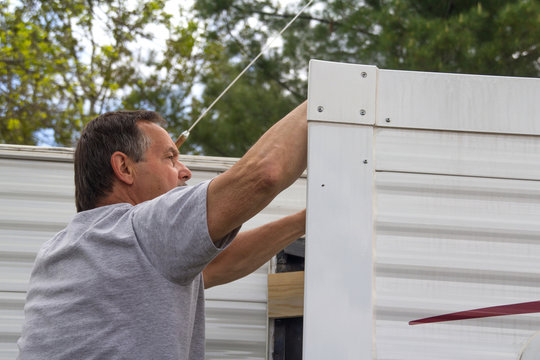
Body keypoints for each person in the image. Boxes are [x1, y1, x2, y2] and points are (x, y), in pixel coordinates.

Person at [17, 102, 308, 359]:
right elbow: (264, 174)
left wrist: (305, 220)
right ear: (124, 167)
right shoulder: (136, 229)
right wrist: (329, 93)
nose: (185, 171)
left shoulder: (65, 248)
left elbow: (219, 264)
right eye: (170, 158)